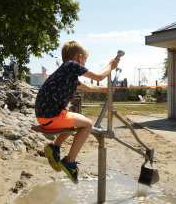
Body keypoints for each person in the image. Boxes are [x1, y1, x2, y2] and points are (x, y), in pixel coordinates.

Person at [35, 41, 120, 184]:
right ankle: (70, 161)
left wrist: (104, 90)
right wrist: (111, 66)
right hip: (53, 116)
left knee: (75, 119)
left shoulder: (66, 74)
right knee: (87, 124)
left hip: (43, 117)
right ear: (80, 58)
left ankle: (55, 147)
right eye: (85, 60)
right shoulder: (71, 65)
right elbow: (99, 77)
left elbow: (87, 86)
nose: (84, 64)